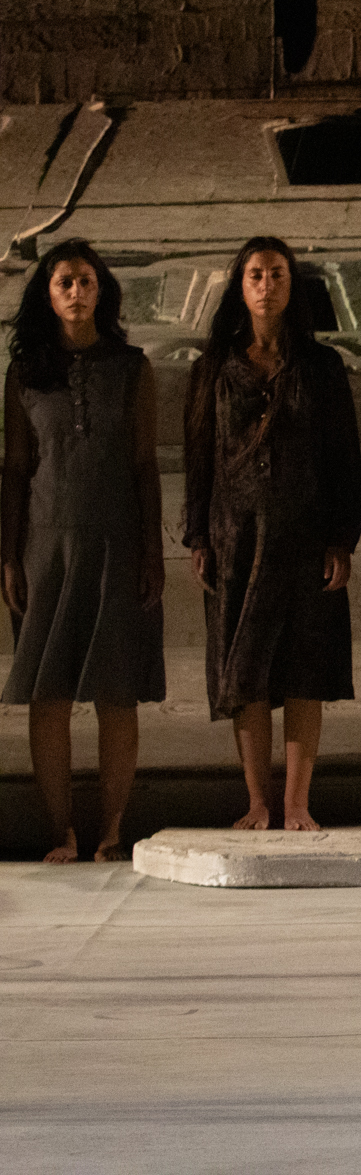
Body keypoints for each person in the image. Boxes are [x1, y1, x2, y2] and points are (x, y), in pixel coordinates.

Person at [183, 237, 361, 832]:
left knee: (305, 670)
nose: (266, 285)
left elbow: (343, 457)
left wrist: (341, 539)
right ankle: (257, 801)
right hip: (235, 537)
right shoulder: (213, 368)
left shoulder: (321, 366)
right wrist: (198, 536)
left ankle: (296, 803)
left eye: (278, 274)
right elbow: (199, 456)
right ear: (240, 286)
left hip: (306, 536)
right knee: (246, 673)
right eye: (256, 275)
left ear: (292, 284)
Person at [1, 239, 165, 862]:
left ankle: (112, 830)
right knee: (49, 693)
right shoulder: (26, 373)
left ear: (102, 290)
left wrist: (151, 552)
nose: (75, 292)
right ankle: (61, 831)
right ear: (47, 294)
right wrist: (8, 555)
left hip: (116, 542)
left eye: (85, 282)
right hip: (45, 546)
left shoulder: (131, 368)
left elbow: (144, 465)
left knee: (116, 691)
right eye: (64, 282)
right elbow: (16, 469)